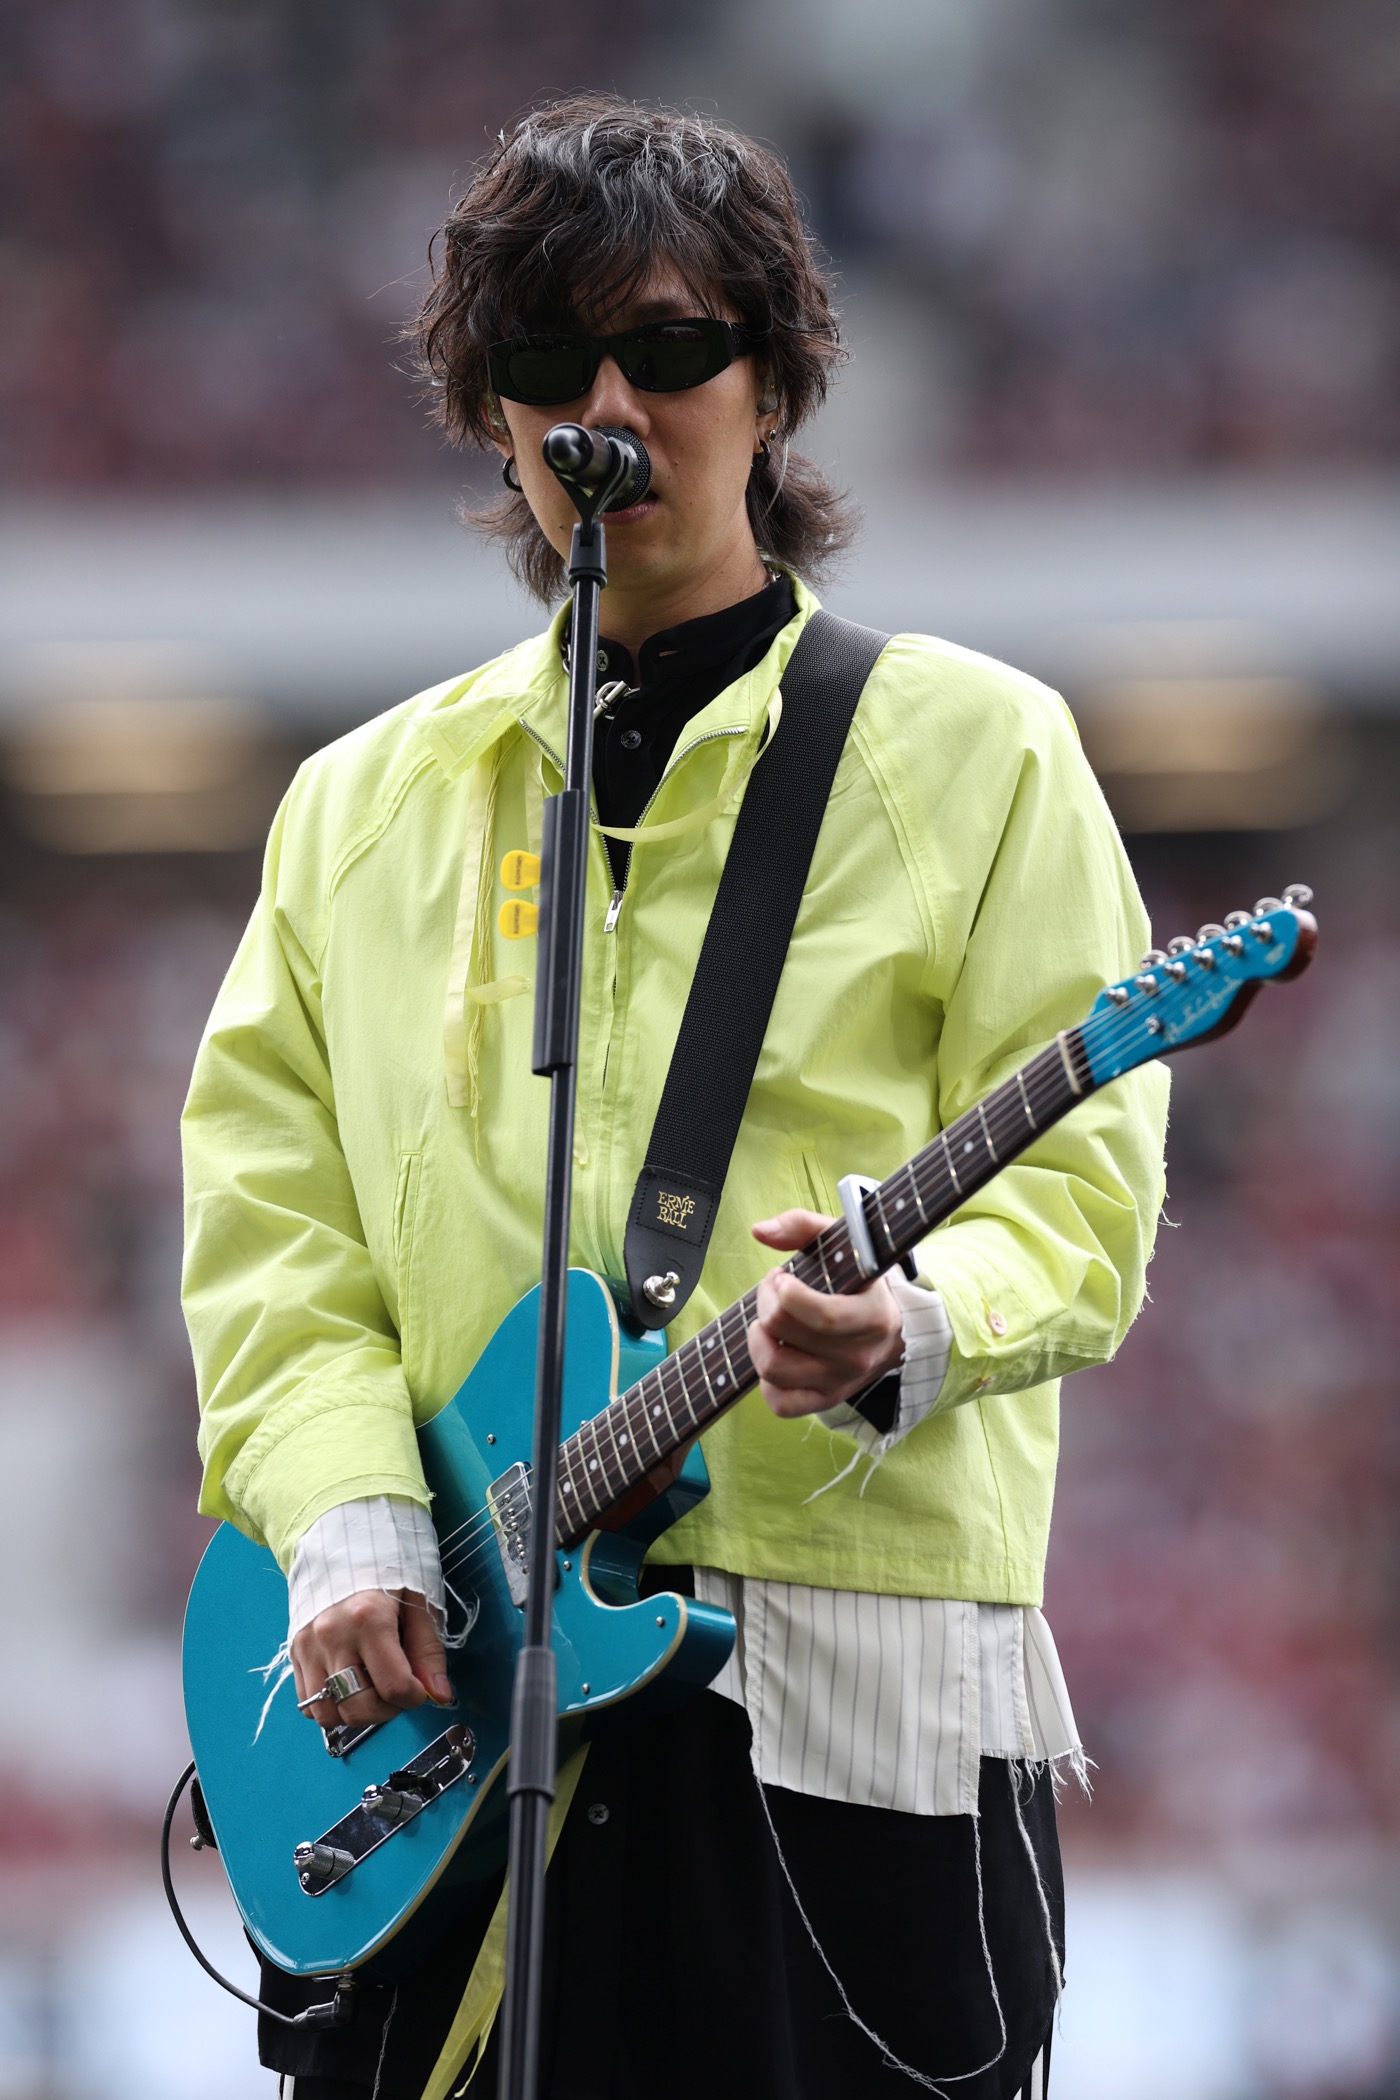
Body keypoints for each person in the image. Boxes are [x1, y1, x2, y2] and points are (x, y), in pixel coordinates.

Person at [182, 95, 1169, 2100]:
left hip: (853, 1729)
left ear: (774, 382)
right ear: (488, 413)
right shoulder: (354, 809)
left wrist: (916, 1322)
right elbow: (270, 1224)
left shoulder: (984, 754)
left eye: (668, 348)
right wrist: (349, 1513)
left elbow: (1081, 1191)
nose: (605, 409)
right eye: (545, 360)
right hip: (444, 1727)